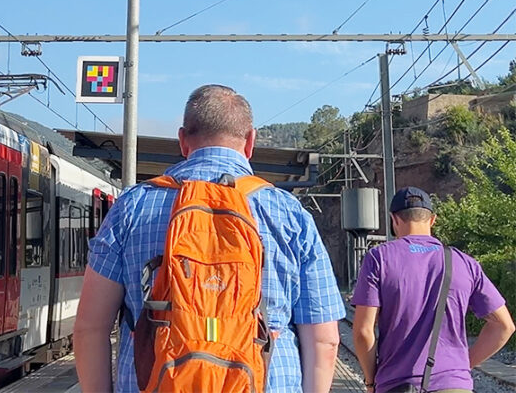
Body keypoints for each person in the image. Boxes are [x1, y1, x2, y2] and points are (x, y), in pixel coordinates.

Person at [75, 84, 344, 393]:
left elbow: (90, 330)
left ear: (182, 140)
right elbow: (325, 341)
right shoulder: (290, 214)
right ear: (250, 142)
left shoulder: (132, 206)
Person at [352, 186, 515, 393]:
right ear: (432, 220)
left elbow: (363, 332)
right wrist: (461, 366)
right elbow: (504, 326)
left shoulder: (379, 258)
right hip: (455, 385)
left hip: (397, 385)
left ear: (394, 220)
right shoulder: (464, 262)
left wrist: (371, 382)